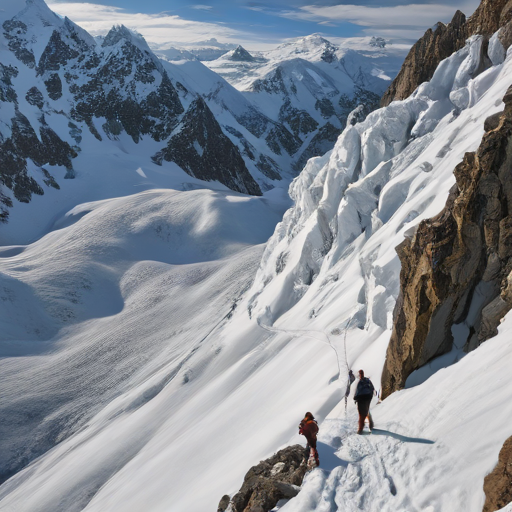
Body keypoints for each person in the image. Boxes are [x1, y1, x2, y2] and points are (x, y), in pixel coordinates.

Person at [354, 369, 375, 434]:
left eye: (360, 374)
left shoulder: (360, 382)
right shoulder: (367, 381)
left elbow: (356, 391)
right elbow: (372, 388)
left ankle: (360, 429)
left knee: (362, 414)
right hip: (367, 397)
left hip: (362, 398)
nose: (360, 375)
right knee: (366, 410)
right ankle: (370, 423)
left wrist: (355, 397)